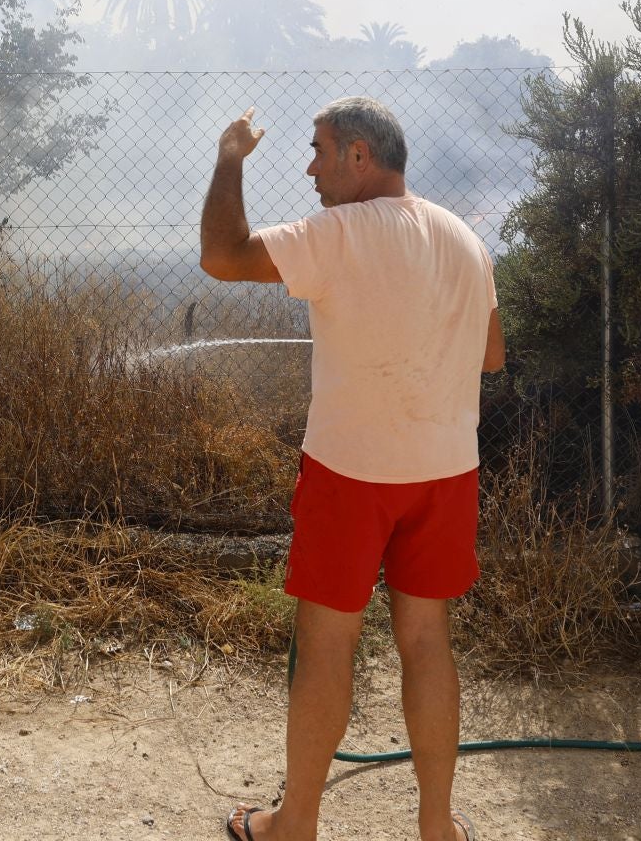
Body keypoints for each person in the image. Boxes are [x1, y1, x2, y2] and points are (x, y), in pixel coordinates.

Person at [200, 99, 505, 841]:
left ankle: (294, 825)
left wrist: (231, 157)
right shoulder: (465, 240)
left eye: (319, 150)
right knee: (426, 640)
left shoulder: (336, 234)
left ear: (359, 156)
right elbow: (492, 356)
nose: (310, 168)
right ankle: (438, 827)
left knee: (328, 644)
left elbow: (222, 255)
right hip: (446, 471)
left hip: (351, 473)